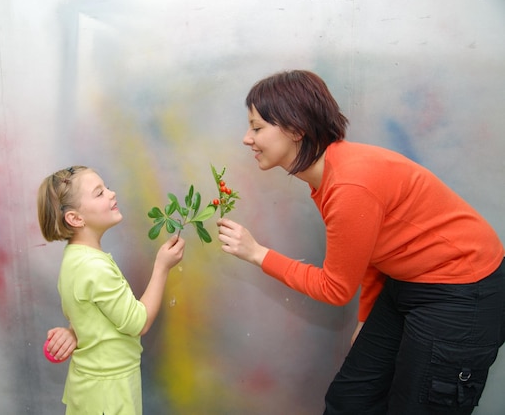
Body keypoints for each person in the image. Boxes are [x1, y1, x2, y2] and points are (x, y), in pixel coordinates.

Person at [217, 70, 505, 414]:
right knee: (350, 402)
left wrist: (257, 253)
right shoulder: (330, 172)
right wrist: (367, 318)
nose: (247, 138)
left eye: (257, 127)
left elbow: (334, 289)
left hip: (462, 291)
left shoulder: (349, 185)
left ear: (295, 129)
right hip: (407, 282)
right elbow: (371, 250)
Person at [37, 165, 186, 415]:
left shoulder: (75, 258)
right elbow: (138, 323)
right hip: (110, 391)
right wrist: (161, 267)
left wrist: (74, 331)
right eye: (99, 193)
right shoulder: (95, 267)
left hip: (91, 387)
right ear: (75, 218)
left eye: (106, 188)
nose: (112, 193)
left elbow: (88, 312)